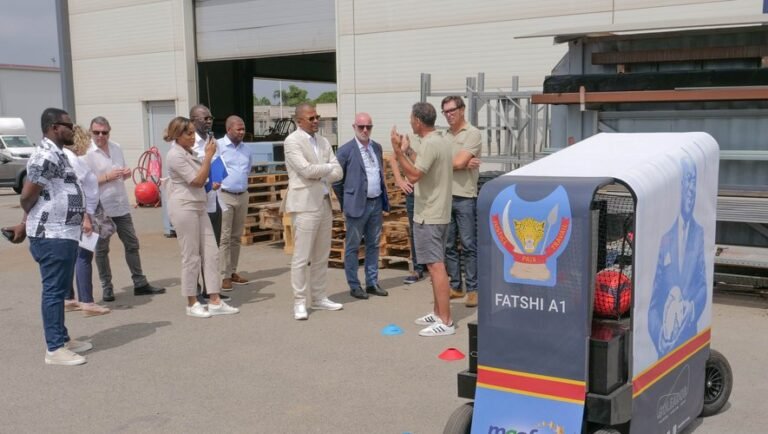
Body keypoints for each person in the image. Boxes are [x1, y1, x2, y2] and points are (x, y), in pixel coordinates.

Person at [22, 108, 93, 365]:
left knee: (60, 289)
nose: (73, 129)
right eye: (68, 125)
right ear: (54, 127)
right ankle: (54, 349)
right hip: (52, 233)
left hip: (65, 232)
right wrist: (27, 221)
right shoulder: (45, 156)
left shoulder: (59, 154)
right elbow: (27, 196)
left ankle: (62, 338)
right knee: (53, 292)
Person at [163, 116, 240, 318]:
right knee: (191, 256)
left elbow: (202, 179)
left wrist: (211, 176)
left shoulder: (189, 152)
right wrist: (208, 157)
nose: (193, 137)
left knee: (211, 252)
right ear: (177, 135)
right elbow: (196, 180)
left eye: (192, 132)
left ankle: (214, 300)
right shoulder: (175, 155)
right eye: (188, 133)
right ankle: (192, 302)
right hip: (184, 206)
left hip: (198, 205)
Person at [84, 116, 165, 302]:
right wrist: (106, 177)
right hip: (100, 209)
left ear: (109, 131)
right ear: (91, 132)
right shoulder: (87, 153)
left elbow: (120, 173)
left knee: (132, 244)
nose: (101, 136)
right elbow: (83, 183)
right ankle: (107, 287)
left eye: (104, 132)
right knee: (102, 250)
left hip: (120, 205)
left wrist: (126, 173)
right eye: (96, 132)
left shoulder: (116, 147)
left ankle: (140, 282)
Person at [391, 102, 455, 337]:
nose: (410, 122)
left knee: (436, 267)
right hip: (439, 212)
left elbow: (415, 175)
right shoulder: (440, 140)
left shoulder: (430, 142)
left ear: (418, 120)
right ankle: (438, 313)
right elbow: (423, 164)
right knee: (434, 264)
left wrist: (398, 151)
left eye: (411, 118)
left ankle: (445, 321)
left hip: (430, 214)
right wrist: (407, 151)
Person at [283, 103, 344, 320]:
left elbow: (339, 171)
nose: (316, 120)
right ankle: (299, 302)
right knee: (301, 257)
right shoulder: (292, 141)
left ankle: (319, 297)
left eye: (317, 117)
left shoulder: (324, 141)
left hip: (324, 201)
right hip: (304, 204)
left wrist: (324, 170)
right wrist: (327, 168)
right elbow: (305, 170)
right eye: (311, 118)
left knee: (321, 255)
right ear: (299, 120)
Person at [648, 155, 706, 358]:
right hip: (666, 351)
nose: (691, 189)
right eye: (688, 180)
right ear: (679, 186)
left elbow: (703, 287)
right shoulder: (665, 239)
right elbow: (653, 306)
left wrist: (692, 308)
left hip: (689, 341)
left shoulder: (699, 234)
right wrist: (660, 337)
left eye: (694, 182)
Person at [332, 112, 390, 299]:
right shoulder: (345, 151)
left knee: (373, 244)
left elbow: (379, 175)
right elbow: (336, 181)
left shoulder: (377, 148)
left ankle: (372, 282)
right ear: (354, 127)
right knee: (353, 247)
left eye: (368, 127)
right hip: (356, 206)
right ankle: (354, 285)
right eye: (361, 127)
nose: (365, 130)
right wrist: (346, 201)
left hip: (375, 203)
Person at [63, 125, 111, 316]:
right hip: (82, 214)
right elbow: (79, 190)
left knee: (71, 256)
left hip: (71, 215)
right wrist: (86, 217)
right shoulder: (75, 161)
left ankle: (68, 297)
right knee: (84, 256)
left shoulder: (64, 158)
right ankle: (87, 302)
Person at [441, 96, 482, 308]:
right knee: (448, 244)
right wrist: (462, 163)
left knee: (468, 244)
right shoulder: (444, 136)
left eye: (452, 110)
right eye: (445, 112)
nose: (449, 115)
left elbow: (454, 161)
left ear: (462, 110)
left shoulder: (472, 133)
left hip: (465, 195)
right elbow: (451, 162)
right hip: (446, 196)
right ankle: (456, 286)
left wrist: (458, 163)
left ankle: (473, 289)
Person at [190, 105, 232, 302]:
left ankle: (211, 289)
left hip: (214, 200)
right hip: (197, 202)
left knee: (212, 250)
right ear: (193, 120)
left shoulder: (213, 140)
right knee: (196, 251)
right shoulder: (189, 143)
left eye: (210, 118)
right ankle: (195, 290)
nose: (209, 121)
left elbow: (217, 163)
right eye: (204, 118)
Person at [217, 115, 252, 290]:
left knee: (236, 237)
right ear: (228, 129)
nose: (242, 132)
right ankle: (224, 275)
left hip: (242, 195)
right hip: (225, 195)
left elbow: (248, 170)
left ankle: (232, 271)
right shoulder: (218, 146)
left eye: (243, 129)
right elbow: (213, 170)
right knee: (225, 236)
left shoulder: (246, 149)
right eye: (238, 129)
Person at [389, 152, 426, 285]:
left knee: (434, 228)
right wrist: (399, 180)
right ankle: (418, 269)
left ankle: (437, 268)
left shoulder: (435, 138)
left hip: (431, 190)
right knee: (415, 230)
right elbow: (393, 158)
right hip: (413, 191)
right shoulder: (407, 139)